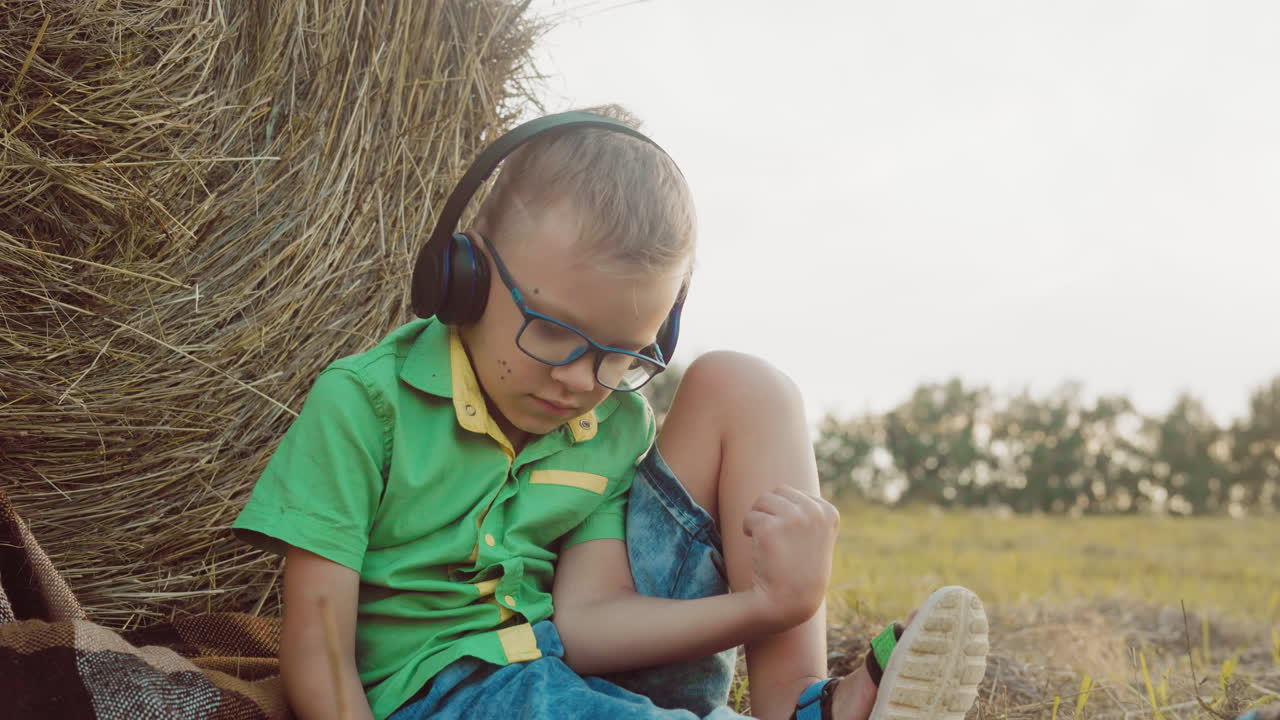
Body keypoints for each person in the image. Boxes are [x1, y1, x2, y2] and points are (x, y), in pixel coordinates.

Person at [232, 107, 988, 720]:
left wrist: (771, 604)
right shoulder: (364, 404)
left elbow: (590, 625)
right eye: (553, 331)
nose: (579, 380)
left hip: (582, 667)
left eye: (620, 353)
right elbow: (322, 646)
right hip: (448, 690)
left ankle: (798, 706)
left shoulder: (614, 422)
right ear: (462, 277)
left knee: (748, 385)